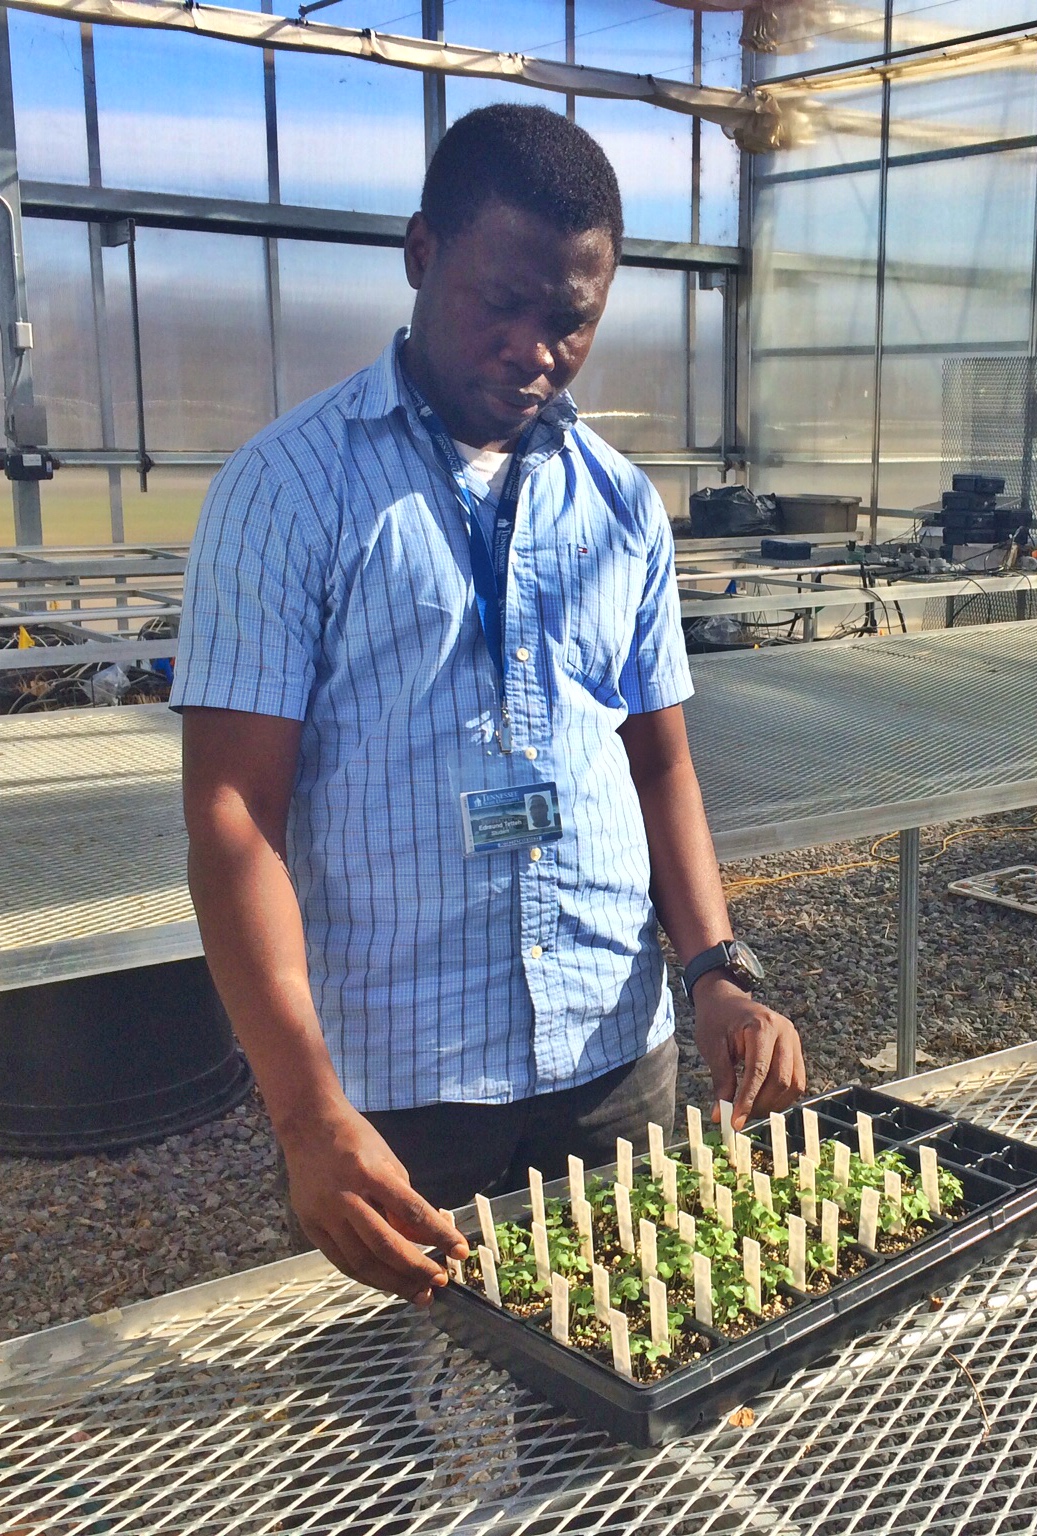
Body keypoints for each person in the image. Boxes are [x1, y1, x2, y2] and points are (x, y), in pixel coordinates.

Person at [175, 104, 805, 1308]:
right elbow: (233, 816)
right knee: (418, 1409)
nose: (535, 348)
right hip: (402, 1077)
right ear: (420, 256)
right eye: (498, 303)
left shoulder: (618, 502)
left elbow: (657, 760)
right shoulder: (290, 492)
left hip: (612, 1051)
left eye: (571, 320)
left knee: (625, 1348)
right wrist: (307, 1116)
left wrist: (716, 968)